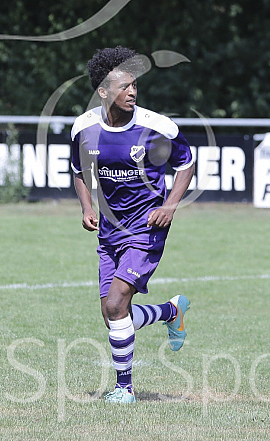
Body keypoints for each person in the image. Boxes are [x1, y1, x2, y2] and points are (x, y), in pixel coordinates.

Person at [70, 46, 195, 404]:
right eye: (124, 86)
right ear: (103, 91)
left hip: (146, 226)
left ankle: (124, 389)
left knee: (115, 304)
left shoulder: (157, 127)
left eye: (135, 85)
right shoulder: (85, 128)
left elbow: (186, 163)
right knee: (112, 315)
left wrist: (170, 205)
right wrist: (86, 206)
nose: (132, 92)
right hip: (110, 229)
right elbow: (79, 171)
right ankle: (171, 311)